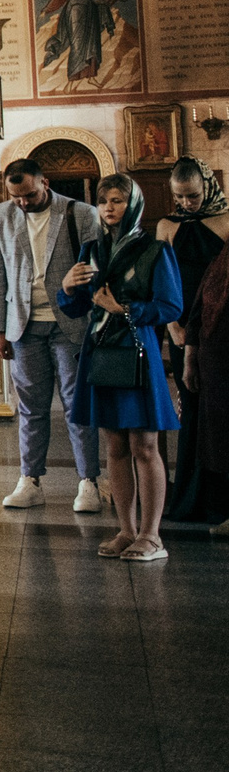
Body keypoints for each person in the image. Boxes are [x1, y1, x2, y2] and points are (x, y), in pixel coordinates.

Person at [59, 175, 182, 563]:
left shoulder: (154, 250)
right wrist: (66, 287)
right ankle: (126, 530)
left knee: (144, 446)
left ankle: (152, 535)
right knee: (114, 445)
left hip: (136, 353)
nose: (109, 207)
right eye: (103, 201)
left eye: (117, 200)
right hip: (101, 353)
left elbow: (171, 306)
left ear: (133, 205)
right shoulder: (92, 249)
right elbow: (78, 307)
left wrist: (125, 309)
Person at [0, 157, 105, 512]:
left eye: (28, 194)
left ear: (45, 182)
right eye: (15, 195)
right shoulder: (1, 215)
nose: (22, 202)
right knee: (31, 407)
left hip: (70, 322)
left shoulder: (81, 214)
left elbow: (98, 269)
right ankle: (30, 480)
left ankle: (88, 482)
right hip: (23, 325)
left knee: (77, 405)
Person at [158, 158, 229, 525]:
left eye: (194, 196)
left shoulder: (227, 220)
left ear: (208, 185)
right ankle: (190, 497)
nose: (188, 203)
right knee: (191, 407)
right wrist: (173, 328)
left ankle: (220, 499)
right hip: (182, 325)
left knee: (219, 413)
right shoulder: (167, 226)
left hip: (219, 329)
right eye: (180, 197)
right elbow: (160, 280)